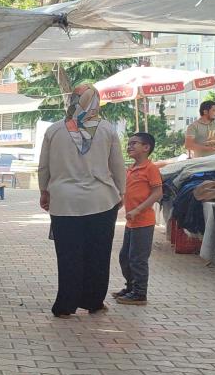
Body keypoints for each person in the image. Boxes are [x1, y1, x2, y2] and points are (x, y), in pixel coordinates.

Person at [38, 84, 125, 318]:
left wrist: (44, 191)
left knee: (68, 254)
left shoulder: (55, 130)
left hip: (64, 201)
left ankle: (65, 305)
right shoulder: (107, 130)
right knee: (98, 253)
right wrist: (121, 191)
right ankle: (93, 301)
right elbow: (117, 165)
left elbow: (44, 166)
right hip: (101, 201)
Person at [114, 132, 163, 306]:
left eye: (134, 143)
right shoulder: (131, 169)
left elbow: (157, 193)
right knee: (125, 257)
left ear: (146, 147)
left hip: (144, 222)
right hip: (132, 222)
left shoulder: (150, 168)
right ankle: (130, 288)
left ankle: (140, 293)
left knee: (138, 259)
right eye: (129, 143)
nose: (129, 146)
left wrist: (138, 209)